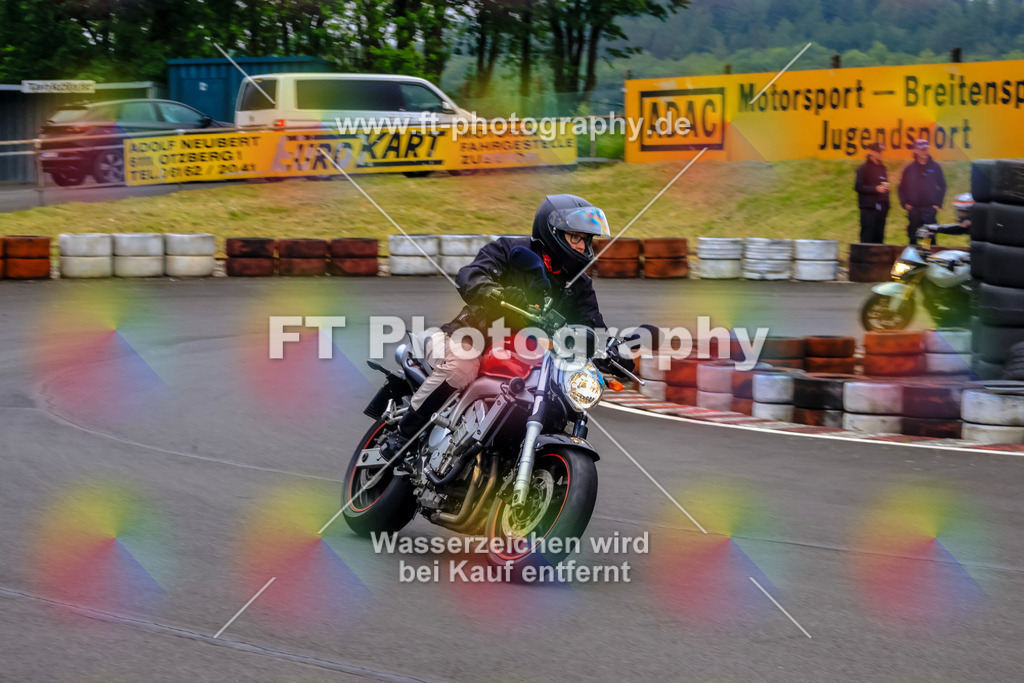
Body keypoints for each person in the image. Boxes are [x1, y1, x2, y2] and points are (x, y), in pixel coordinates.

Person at [381, 194, 633, 458]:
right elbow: (470, 275)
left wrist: (614, 351)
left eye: (586, 239)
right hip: (470, 339)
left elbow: (593, 326)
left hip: (528, 360)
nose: (582, 246)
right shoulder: (510, 251)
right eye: (575, 238)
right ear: (553, 233)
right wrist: (494, 292)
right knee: (462, 368)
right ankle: (402, 437)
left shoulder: (579, 284)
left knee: (561, 397)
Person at [898, 139, 947, 244]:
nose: (925, 151)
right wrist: (905, 203)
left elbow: (943, 186)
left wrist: (938, 204)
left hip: (930, 209)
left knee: (928, 239)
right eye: (922, 149)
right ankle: (913, 254)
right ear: (915, 150)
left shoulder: (935, 167)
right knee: (913, 237)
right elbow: (901, 188)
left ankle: (927, 254)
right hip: (914, 209)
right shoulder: (909, 168)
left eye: (926, 149)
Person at [854, 142, 890, 243]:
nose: (881, 154)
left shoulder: (883, 168)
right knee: (867, 237)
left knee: (879, 238)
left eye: (882, 151)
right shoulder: (863, 168)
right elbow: (858, 187)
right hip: (868, 209)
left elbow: (885, 186)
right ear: (871, 152)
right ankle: (865, 254)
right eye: (878, 151)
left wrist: (887, 206)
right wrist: (875, 189)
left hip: (881, 209)